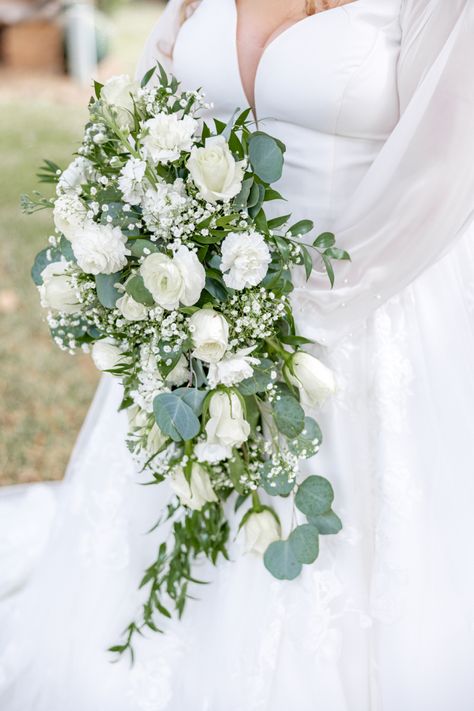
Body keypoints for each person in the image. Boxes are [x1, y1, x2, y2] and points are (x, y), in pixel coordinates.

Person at [1, 0, 474, 709]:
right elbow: (144, 122)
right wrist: (163, 264)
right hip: (199, 311)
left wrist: (299, 306)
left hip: (369, 307)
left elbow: (445, 166)